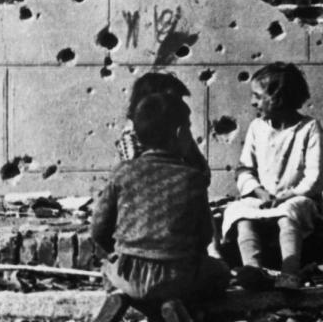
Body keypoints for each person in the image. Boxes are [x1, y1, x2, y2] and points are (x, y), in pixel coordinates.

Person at [91, 74, 229, 312]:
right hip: (177, 276)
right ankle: (174, 305)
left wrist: (118, 252)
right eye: (189, 128)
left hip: (128, 273)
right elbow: (204, 235)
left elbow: (99, 228)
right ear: (178, 133)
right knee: (221, 273)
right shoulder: (191, 178)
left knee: (109, 269)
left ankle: (123, 296)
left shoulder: (123, 171)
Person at [222, 62, 323, 291]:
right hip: (264, 197)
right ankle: (254, 269)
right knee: (238, 212)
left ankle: (290, 273)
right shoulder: (257, 127)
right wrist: (259, 191)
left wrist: (288, 195)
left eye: (258, 97)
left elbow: (314, 178)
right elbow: (244, 169)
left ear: (279, 98)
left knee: (289, 213)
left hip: (298, 198)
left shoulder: (309, 128)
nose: (252, 103)